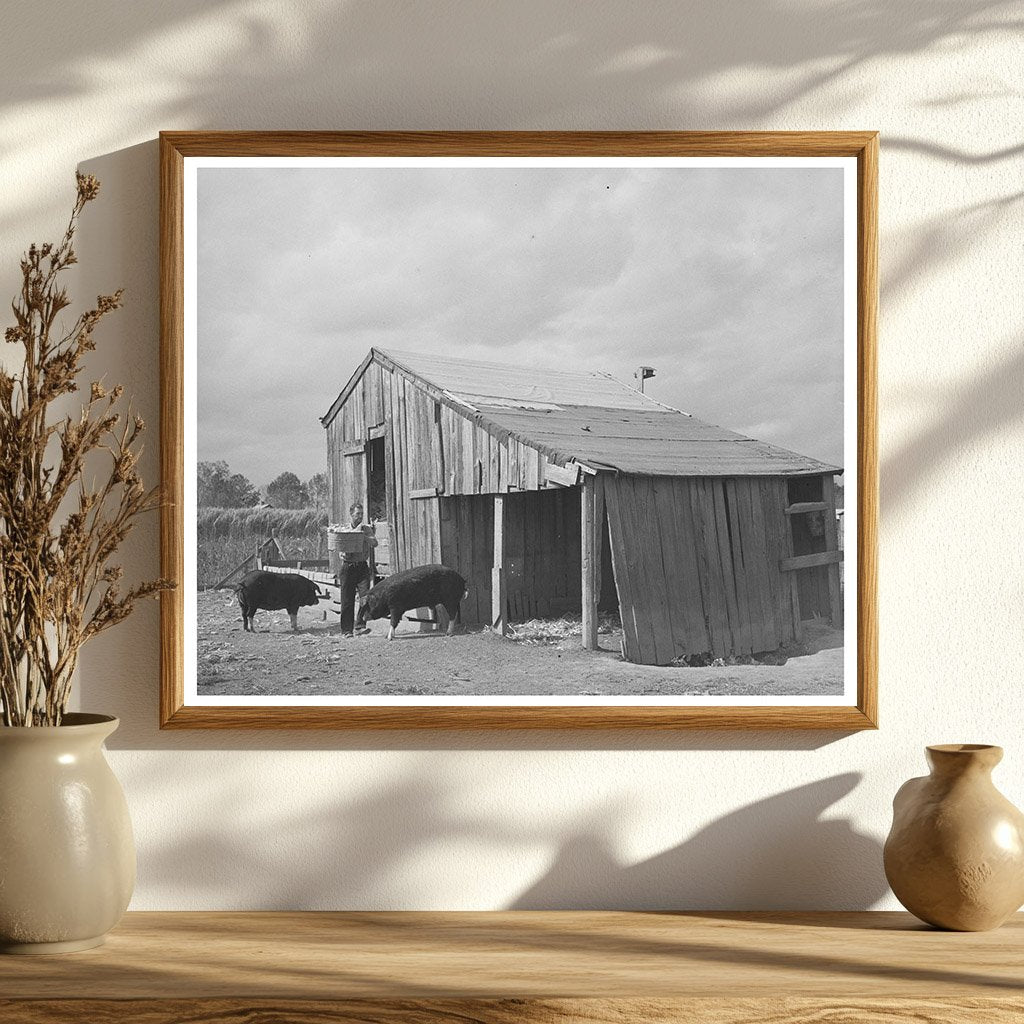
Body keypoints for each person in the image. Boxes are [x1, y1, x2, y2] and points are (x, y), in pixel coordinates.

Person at [336, 501, 377, 637]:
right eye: (357, 514)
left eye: (361, 514)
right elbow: (338, 548)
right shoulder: (344, 530)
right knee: (347, 600)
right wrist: (345, 551)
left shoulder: (366, 529)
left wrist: (362, 536)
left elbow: (374, 543)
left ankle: (359, 625)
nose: (360, 517)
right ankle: (346, 630)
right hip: (348, 566)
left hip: (362, 566)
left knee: (365, 597)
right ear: (351, 515)